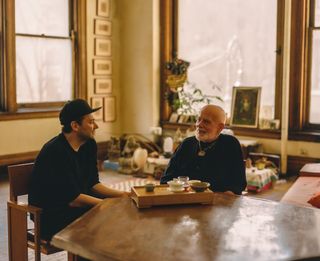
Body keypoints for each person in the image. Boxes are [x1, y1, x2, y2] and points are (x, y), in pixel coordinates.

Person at [29, 99, 128, 240]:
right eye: (91, 122)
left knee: (121, 210)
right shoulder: (55, 151)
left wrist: (125, 195)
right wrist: (109, 205)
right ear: (75, 126)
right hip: (50, 216)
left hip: (75, 206)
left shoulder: (89, 145)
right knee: (109, 218)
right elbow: (73, 199)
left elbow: (93, 184)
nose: (97, 126)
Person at [160, 105, 246, 195]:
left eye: (206, 122)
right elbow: (167, 178)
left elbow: (238, 184)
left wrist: (224, 197)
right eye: (198, 119)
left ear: (220, 127)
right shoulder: (187, 144)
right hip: (184, 199)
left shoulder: (230, 144)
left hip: (217, 203)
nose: (199, 124)